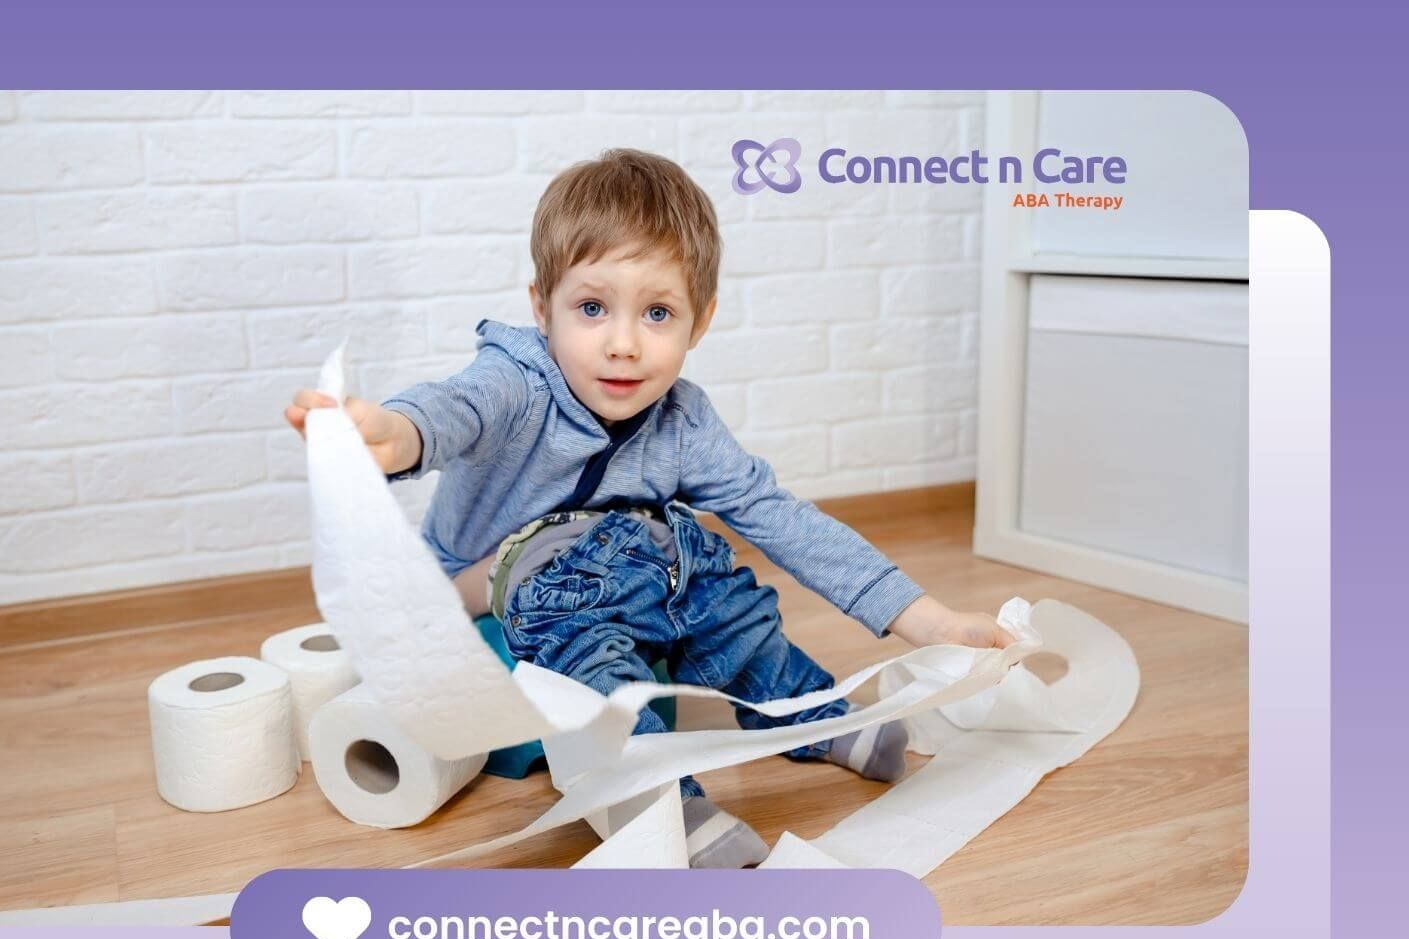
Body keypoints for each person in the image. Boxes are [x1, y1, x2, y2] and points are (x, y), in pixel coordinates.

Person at [287, 148, 1011, 867]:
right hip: (486, 583)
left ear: (701, 322)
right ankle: (661, 801)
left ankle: (808, 710)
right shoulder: (516, 381)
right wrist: (397, 433)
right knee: (591, 629)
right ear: (542, 308)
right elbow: (453, 409)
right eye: (592, 309)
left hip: (609, 566)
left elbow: (782, 519)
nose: (624, 345)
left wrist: (933, 623)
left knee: (714, 584)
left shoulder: (683, 423)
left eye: (658, 313)